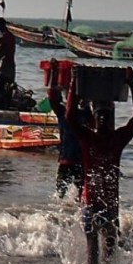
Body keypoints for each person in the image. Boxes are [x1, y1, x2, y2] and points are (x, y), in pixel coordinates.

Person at [66, 73, 133, 264]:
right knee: (92, 246)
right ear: (94, 117)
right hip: (89, 202)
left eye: (106, 115)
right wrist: (73, 83)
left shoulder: (117, 139)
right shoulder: (88, 138)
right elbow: (70, 117)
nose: (102, 118)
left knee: (110, 247)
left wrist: (131, 84)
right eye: (99, 115)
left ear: (111, 119)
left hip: (110, 204)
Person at [48, 68, 84, 200]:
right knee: (63, 195)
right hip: (71, 161)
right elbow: (52, 97)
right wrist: (54, 73)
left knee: (65, 196)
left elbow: (52, 97)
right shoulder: (65, 112)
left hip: (75, 161)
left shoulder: (84, 114)